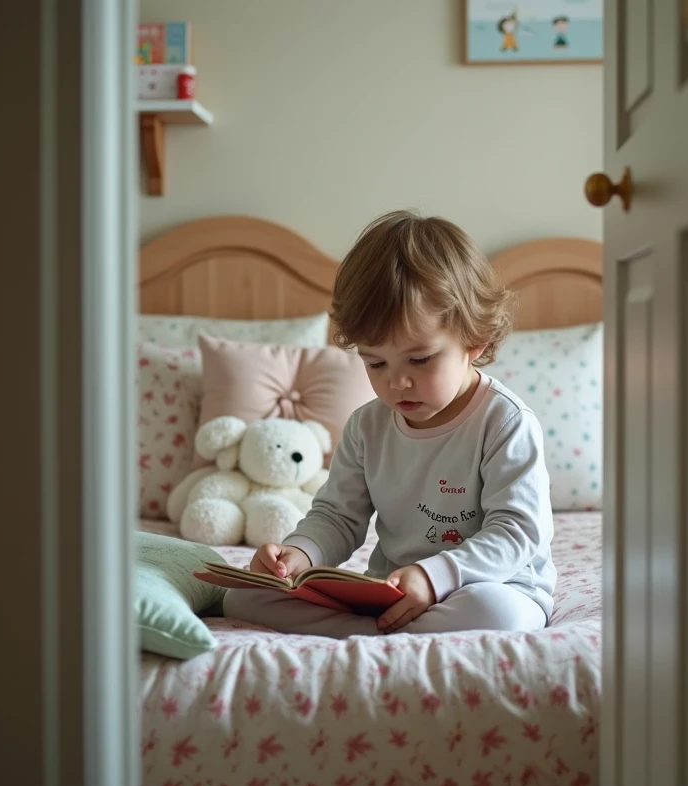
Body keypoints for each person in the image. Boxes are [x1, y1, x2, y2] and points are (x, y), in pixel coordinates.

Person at [222, 210, 556, 638]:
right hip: (391, 592)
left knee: (498, 615)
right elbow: (337, 517)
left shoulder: (504, 421)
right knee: (243, 597)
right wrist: (298, 555)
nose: (397, 382)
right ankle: (389, 627)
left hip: (492, 586)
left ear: (475, 342)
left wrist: (436, 576)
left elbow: (517, 532)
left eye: (420, 359)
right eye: (375, 362)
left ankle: (372, 630)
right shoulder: (367, 427)